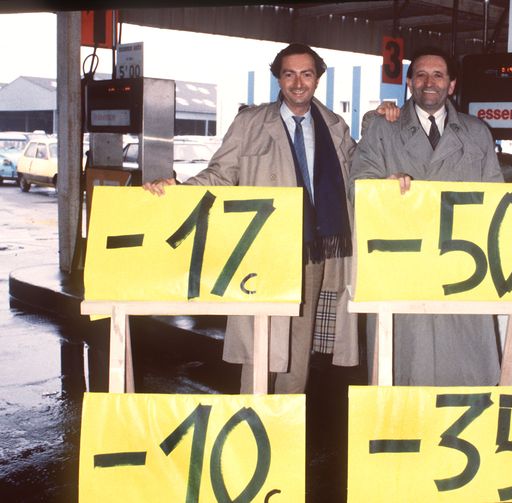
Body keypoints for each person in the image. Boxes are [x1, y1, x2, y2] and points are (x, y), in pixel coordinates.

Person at [144, 43, 359, 394]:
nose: (298, 82)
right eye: (289, 73)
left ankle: (287, 418)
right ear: (279, 78)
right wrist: (178, 189)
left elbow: (360, 176)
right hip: (263, 249)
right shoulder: (250, 122)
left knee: (298, 346)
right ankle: (254, 417)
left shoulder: (334, 126)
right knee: (262, 344)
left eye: (306, 73)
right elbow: (221, 173)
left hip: (314, 251)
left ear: (317, 78)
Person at [349, 46, 505, 387]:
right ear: (409, 83)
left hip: (463, 267)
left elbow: (495, 196)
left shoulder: (478, 132)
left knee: (465, 372)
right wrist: (382, 189)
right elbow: (356, 184)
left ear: (451, 85)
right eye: (420, 75)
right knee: (405, 369)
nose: (429, 82)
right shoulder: (381, 129)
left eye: (438, 75)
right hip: (402, 266)